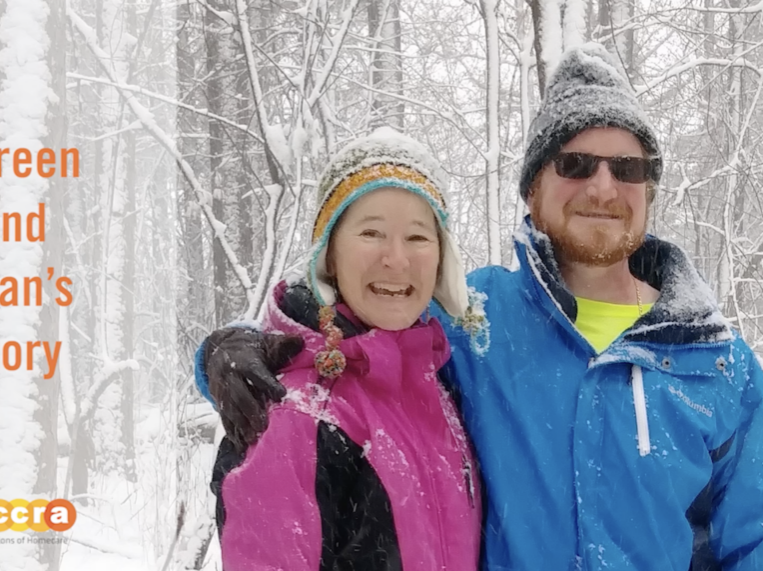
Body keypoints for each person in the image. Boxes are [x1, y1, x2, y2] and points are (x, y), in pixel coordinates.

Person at [197, 43, 763, 571]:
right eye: (575, 164)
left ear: (650, 191)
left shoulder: (717, 363)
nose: (603, 187)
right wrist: (236, 350)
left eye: (628, 168)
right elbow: (353, 340)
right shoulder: (471, 323)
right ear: (532, 189)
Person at [195, 128, 482, 570]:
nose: (396, 259)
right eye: (371, 232)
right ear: (328, 255)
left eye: (419, 237)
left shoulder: (436, 381)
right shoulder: (297, 417)